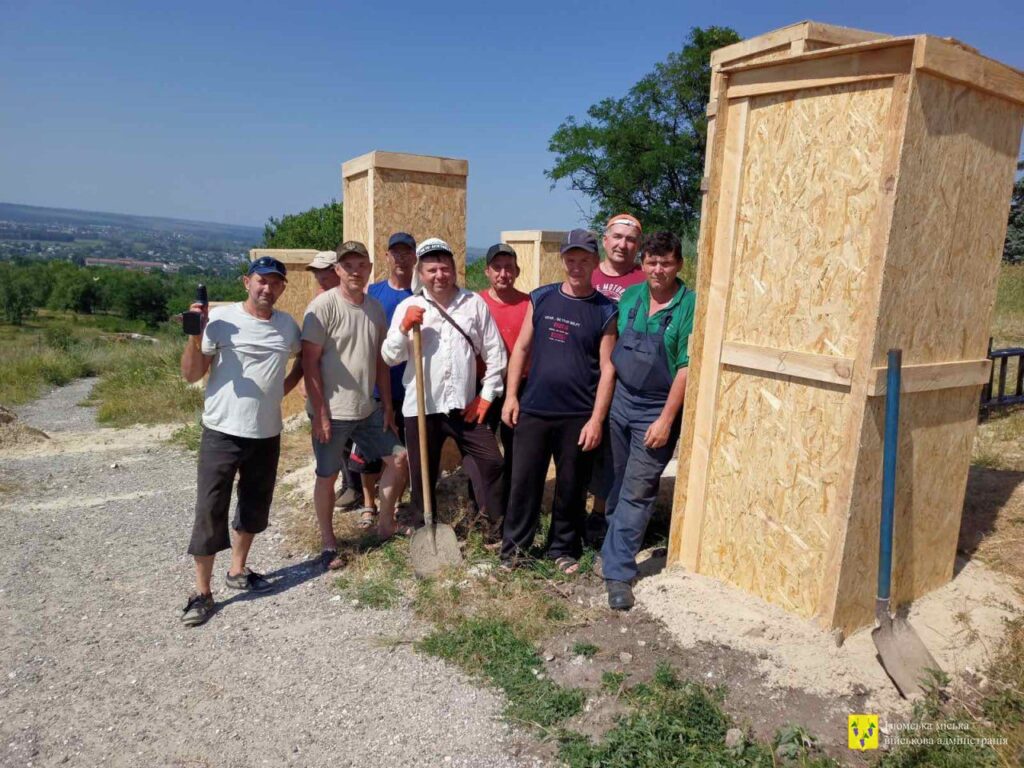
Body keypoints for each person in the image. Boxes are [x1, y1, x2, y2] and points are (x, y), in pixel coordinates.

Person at [179, 256, 303, 627]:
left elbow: (303, 360)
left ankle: (237, 570)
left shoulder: (287, 327)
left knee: (254, 505)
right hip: (221, 431)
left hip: (266, 433)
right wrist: (194, 334)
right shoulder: (220, 321)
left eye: (275, 283)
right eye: (261, 281)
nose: (267, 288)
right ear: (246, 282)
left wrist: (283, 389)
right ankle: (202, 592)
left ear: (282, 288)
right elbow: (190, 374)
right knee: (210, 509)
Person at [500, 229, 618, 574]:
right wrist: (511, 397)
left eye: (584, 260)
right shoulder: (541, 298)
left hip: (578, 415)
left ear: (596, 262)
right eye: (571, 259)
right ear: (563, 260)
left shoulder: (605, 310)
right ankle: (514, 551)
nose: (576, 266)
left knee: (571, 485)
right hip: (534, 408)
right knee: (524, 483)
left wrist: (596, 419)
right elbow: (521, 348)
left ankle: (562, 549)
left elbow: (608, 368)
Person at [381, 237, 507, 530]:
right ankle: (426, 528)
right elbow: (389, 356)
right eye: (432, 270)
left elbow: (496, 353)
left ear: (454, 269)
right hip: (422, 408)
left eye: (445, 268)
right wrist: (403, 329)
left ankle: (494, 524)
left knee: (492, 462)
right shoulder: (410, 306)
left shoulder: (472, 303)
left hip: (465, 408)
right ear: (421, 274)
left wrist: (487, 395)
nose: (440, 275)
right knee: (423, 474)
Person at [601, 231, 695, 610]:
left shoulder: (689, 305)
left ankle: (618, 572)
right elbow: (612, 344)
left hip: (655, 409)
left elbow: (686, 369)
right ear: (642, 265)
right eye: (652, 262)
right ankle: (611, 547)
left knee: (638, 490)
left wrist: (665, 421)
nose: (658, 270)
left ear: (678, 265)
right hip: (622, 400)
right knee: (617, 480)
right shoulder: (632, 296)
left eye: (666, 262)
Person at [301, 241, 408, 570]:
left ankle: (386, 523)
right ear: (337, 270)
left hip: (368, 409)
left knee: (400, 459)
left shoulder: (374, 308)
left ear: (370, 267)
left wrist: (387, 404)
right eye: (348, 266)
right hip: (331, 411)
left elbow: (380, 361)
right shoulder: (322, 308)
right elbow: (309, 364)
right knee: (327, 475)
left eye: (361, 265)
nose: (355, 271)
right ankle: (329, 543)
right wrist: (320, 413)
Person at [348, 232, 417, 528]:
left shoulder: (421, 296)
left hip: (408, 386)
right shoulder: (373, 294)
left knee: (401, 450)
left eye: (406, 253)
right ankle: (368, 503)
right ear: (387, 257)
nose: (401, 258)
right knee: (369, 451)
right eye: (395, 253)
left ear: (414, 257)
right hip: (375, 386)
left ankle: (396, 502)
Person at [587, 213, 646, 539]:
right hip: (584, 376)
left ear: (637, 246)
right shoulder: (588, 274)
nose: (623, 244)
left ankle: (600, 512)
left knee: (611, 448)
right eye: (618, 237)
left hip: (623, 379)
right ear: (606, 240)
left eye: (631, 239)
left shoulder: (645, 280)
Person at [472, 243, 529, 529]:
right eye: (497, 268)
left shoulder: (530, 304)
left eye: (509, 267)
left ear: (517, 271)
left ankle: (510, 507)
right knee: (481, 449)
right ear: (487, 271)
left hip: (519, 387)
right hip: (482, 387)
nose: (503, 273)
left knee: (515, 447)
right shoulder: (475, 303)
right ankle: (482, 507)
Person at [303, 250, 361, 510]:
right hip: (322, 388)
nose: (318, 276)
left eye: (322, 271)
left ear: (335, 270)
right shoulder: (319, 303)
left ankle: (353, 487)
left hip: (346, 391)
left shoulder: (352, 302)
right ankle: (345, 485)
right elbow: (308, 352)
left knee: (348, 441)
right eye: (316, 272)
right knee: (330, 444)